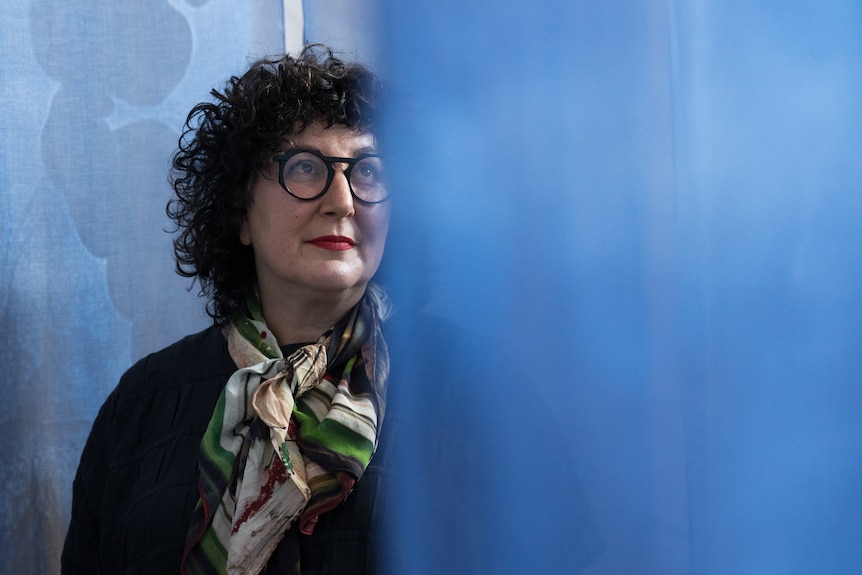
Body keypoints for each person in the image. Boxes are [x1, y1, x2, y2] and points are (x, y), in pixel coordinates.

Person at [61, 45, 394, 574]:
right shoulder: (141, 403)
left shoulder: (465, 391)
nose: (343, 199)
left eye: (369, 171)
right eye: (305, 167)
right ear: (240, 212)